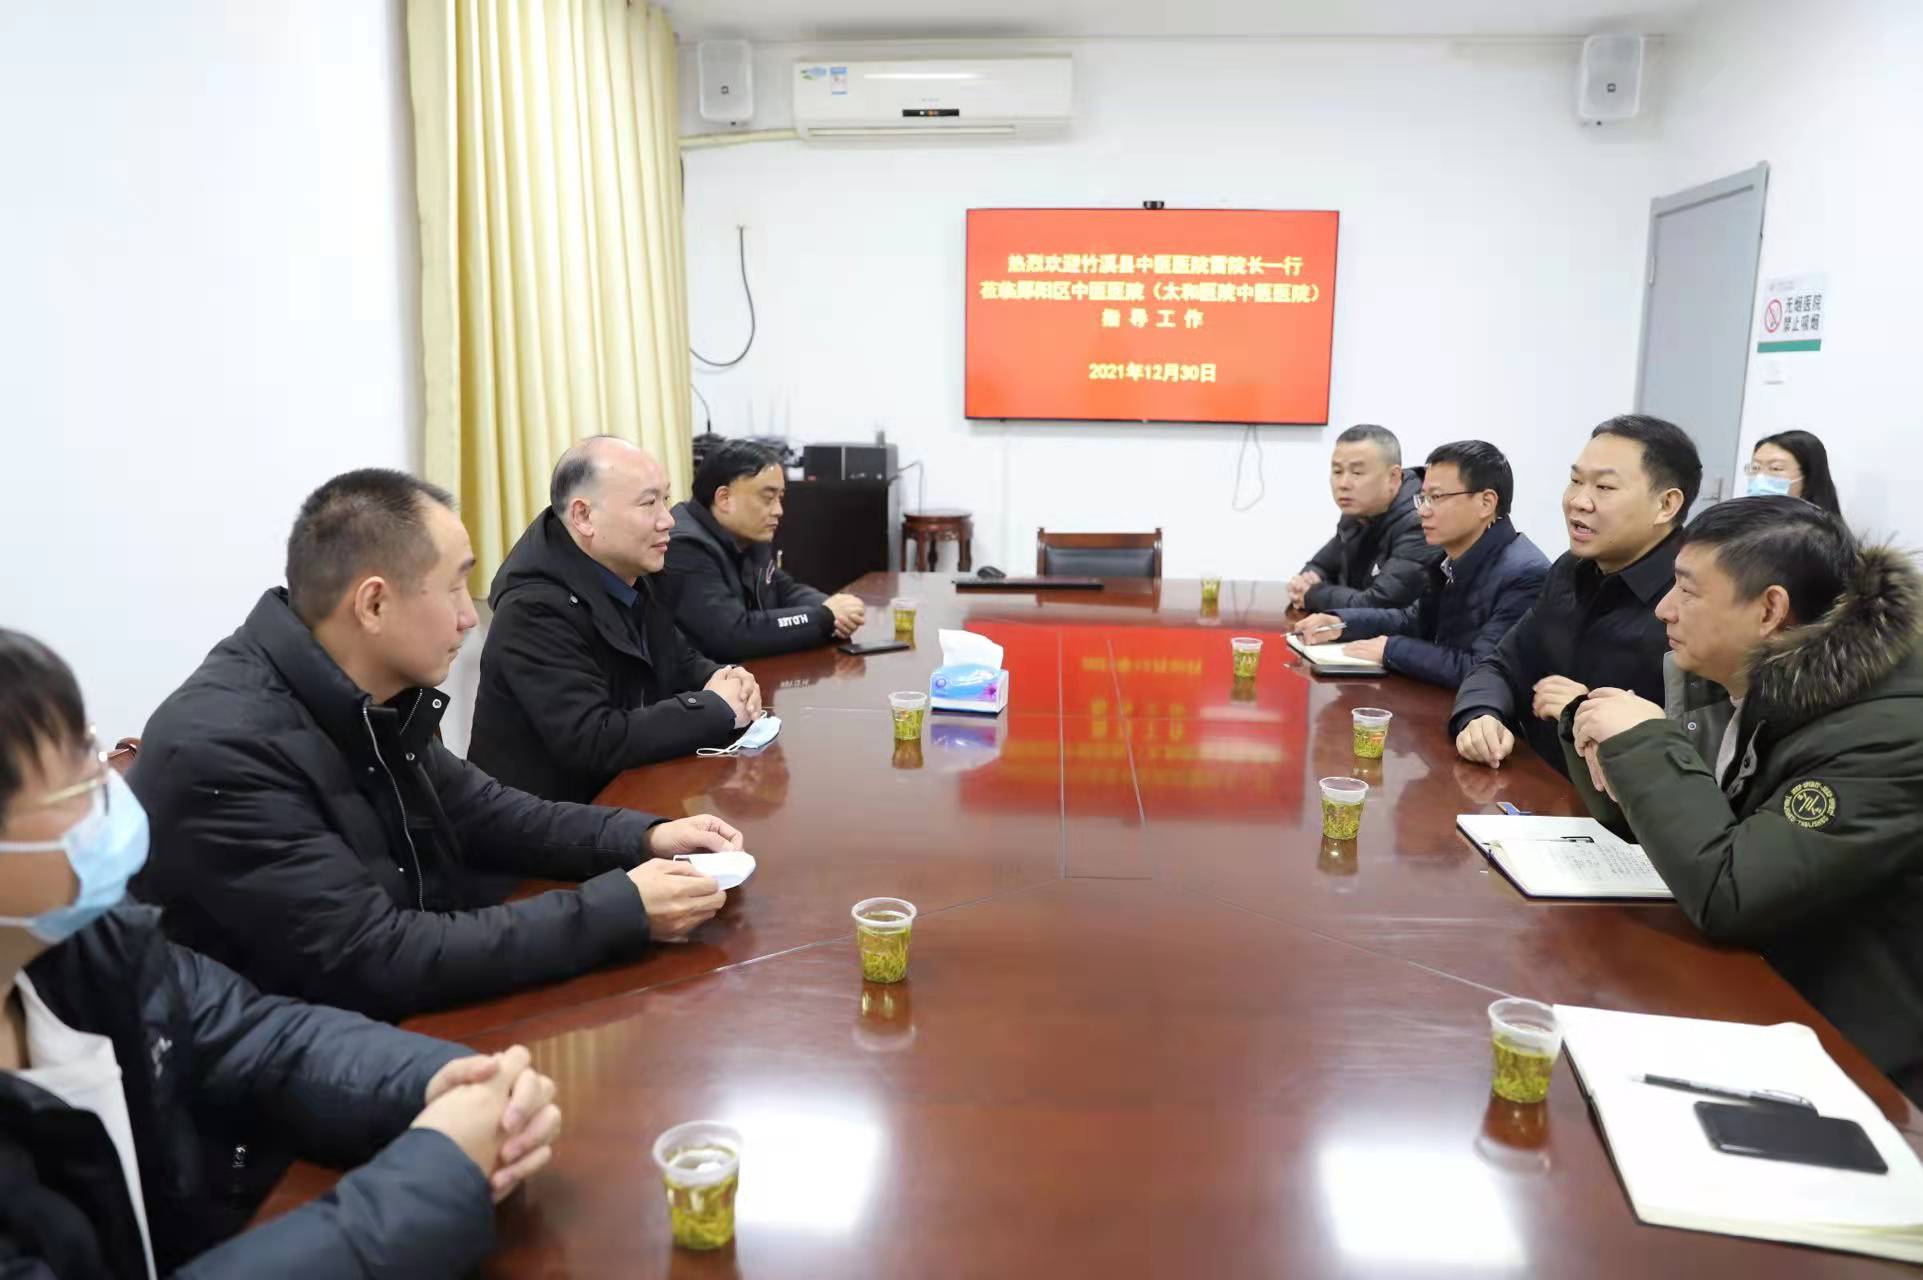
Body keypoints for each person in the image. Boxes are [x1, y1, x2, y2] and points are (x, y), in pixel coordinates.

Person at [0, 629, 564, 1277]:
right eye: (76, 786)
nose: (109, 792)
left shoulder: (88, 946)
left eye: (93, 754)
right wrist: (438, 1170)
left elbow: (261, 1036)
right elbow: (379, 951)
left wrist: (445, 1079)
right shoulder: (226, 737)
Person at [130, 468, 740, 1023]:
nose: (469, 617)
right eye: (452, 589)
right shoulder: (227, 748)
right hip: (311, 1055)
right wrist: (620, 910)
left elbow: (484, 810)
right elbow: (375, 957)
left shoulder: (369, 688)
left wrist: (644, 837)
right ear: (373, 604)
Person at [1567, 498, 1923, 1101]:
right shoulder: (1768, 680)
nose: (1663, 608)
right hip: (1767, 996)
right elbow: (1681, 835)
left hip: (1853, 1060)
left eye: (1687, 591)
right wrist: (1602, 737)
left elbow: (1733, 893)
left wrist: (1646, 744)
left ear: (1769, 610)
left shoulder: (1887, 735)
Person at [468, 437, 763, 803]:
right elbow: (594, 739)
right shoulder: (533, 609)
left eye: (666, 498)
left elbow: (680, 660)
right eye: (648, 503)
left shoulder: (636, 574)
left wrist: (725, 678)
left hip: (622, 798)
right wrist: (715, 708)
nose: (668, 520)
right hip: (548, 821)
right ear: (583, 516)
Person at [1451, 414, 1700, 774]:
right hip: (1531, 781)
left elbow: (1693, 753)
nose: (1578, 502)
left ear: (1666, 505)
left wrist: (1585, 712)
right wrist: (1480, 715)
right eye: (1576, 481)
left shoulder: (1690, 600)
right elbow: (1502, 664)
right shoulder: (1569, 570)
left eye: (1605, 487)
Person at [1291, 440, 1549, 689]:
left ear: (1486, 503)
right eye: (1422, 498)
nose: (1423, 511)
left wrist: (1391, 649)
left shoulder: (1524, 574)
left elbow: (1482, 668)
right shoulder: (1452, 559)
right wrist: (1340, 623)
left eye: (1436, 497)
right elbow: (1412, 621)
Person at [664, 440, 868, 660]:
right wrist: (823, 618)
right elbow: (732, 635)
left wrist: (834, 608)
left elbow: (783, 589)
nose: (779, 510)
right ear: (724, 498)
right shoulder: (683, 546)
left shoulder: (747, 535)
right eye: (768, 498)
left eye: (780, 498)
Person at [1285, 424, 1443, 612]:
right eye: (1337, 471)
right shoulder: (1358, 512)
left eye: (1357, 473)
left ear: (1393, 477)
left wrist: (1313, 595)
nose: (1343, 484)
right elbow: (1318, 567)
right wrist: (1306, 586)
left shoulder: (1421, 522)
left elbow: (1381, 604)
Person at [1747, 429, 1842, 515]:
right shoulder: (1748, 520)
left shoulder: (1816, 527)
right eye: (1755, 468)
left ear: (1808, 476)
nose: (1760, 477)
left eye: (1776, 468)